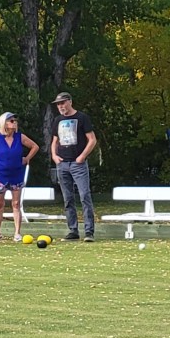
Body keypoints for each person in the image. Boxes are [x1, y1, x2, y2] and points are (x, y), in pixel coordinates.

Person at [0, 112, 40, 242]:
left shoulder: (20, 137)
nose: (14, 122)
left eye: (15, 120)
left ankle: (17, 233)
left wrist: (27, 158)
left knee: (16, 204)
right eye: (11, 121)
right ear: (3, 123)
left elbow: (35, 146)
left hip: (16, 174)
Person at [51, 92, 98, 242]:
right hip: (62, 163)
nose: (61, 106)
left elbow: (92, 140)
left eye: (63, 103)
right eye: (58, 104)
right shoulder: (58, 120)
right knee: (68, 198)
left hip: (78, 164)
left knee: (84, 196)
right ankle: (73, 230)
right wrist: (54, 156)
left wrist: (82, 156)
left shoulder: (82, 118)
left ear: (70, 102)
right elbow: (54, 141)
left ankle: (89, 231)